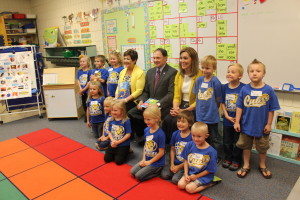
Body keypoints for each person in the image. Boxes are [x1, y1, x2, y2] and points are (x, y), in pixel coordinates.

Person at [234, 59, 280, 179]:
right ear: (248, 73)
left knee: (262, 147)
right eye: (251, 71)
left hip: (262, 126)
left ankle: (262, 165)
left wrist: (269, 124)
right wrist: (237, 122)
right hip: (246, 125)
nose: (254, 73)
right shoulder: (244, 89)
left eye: (258, 71)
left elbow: (272, 109)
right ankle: (246, 165)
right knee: (246, 146)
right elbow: (239, 107)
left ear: (263, 73)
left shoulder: (268, 90)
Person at [128, 48, 177, 141]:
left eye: (158, 58)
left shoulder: (172, 72)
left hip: (162, 106)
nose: (155, 60)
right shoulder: (150, 72)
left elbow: (171, 94)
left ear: (166, 58)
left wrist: (157, 104)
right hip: (148, 104)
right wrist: (141, 100)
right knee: (131, 113)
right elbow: (146, 91)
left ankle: (155, 139)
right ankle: (143, 136)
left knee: (159, 118)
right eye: (154, 58)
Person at [162, 47, 202, 143]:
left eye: (185, 58)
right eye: (181, 58)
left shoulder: (200, 75)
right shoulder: (179, 74)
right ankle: (171, 146)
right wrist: (176, 109)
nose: (182, 61)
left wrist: (184, 111)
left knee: (179, 121)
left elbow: (200, 99)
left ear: (193, 60)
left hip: (194, 107)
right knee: (168, 120)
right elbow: (176, 95)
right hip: (181, 105)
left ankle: (183, 145)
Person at [192, 55, 222, 162]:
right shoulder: (199, 80)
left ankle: (216, 156)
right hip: (200, 115)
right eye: (203, 67)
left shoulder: (215, 82)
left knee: (214, 138)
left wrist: (214, 109)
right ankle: (205, 154)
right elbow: (197, 96)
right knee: (204, 137)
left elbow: (218, 98)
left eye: (208, 68)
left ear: (214, 69)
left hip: (211, 116)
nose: (205, 70)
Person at [178, 122, 218, 194]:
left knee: (189, 189)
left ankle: (208, 184)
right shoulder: (189, 145)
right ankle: (192, 181)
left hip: (204, 176)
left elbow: (210, 170)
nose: (195, 139)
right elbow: (186, 160)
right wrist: (186, 174)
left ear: (206, 136)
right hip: (190, 173)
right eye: (193, 135)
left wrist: (196, 176)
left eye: (199, 136)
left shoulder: (212, 152)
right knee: (180, 185)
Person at [130, 105, 166, 181]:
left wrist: (149, 162)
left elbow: (161, 152)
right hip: (147, 159)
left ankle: (157, 171)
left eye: (148, 119)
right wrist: (144, 159)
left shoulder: (161, 134)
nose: (146, 121)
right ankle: (148, 168)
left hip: (156, 163)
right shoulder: (146, 130)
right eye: (145, 119)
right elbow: (145, 146)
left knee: (138, 176)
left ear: (157, 119)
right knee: (132, 172)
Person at [220, 63, 245, 171]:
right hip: (227, 120)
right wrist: (226, 115)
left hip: (239, 121)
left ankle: (236, 160)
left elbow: (245, 105)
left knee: (237, 142)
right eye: (228, 71)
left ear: (240, 76)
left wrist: (237, 120)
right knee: (227, 141)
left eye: (233, 72)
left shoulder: (244, 88)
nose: (229, 74)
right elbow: (222, 103)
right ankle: (228, 158)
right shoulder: (224, 87)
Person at [161, 110, 194, 184]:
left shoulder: (192, 137)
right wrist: (172, 164)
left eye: (183, 122)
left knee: (175, 180)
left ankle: (187, 174)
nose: (180, 124)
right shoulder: (175, 134)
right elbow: (172, 150)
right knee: (164, 175)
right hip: (175, 161)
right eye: (178, 121)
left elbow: (191, 157)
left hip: (185, 164)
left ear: (190, 124)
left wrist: (179, 167)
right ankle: (175, 170)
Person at [104, 99, 131, 165]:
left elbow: (128, 134)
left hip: (123, 144)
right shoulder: (111, 120)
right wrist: (113, 140)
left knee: (118, 162)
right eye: (112, 110)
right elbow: (109, 132)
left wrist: (118, 142)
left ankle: (127, 150)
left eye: (115, 110)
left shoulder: (126, 121)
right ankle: (118, 152)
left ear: (122, 110)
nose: (113, 112)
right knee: (107, 159)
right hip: (113, 142)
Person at [77, 55, 92, 122]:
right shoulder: (79, 71)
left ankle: (89, 117)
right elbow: (78, 80)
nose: (82, 63)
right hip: (82, 91)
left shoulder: (89, 71)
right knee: (83, 104)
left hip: (87, 91)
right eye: (80, 61)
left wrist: (83, 90)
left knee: (88, 104)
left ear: (88, 62)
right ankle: (87, 116)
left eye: (83, 61)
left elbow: (89, 82)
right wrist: (80, 89)